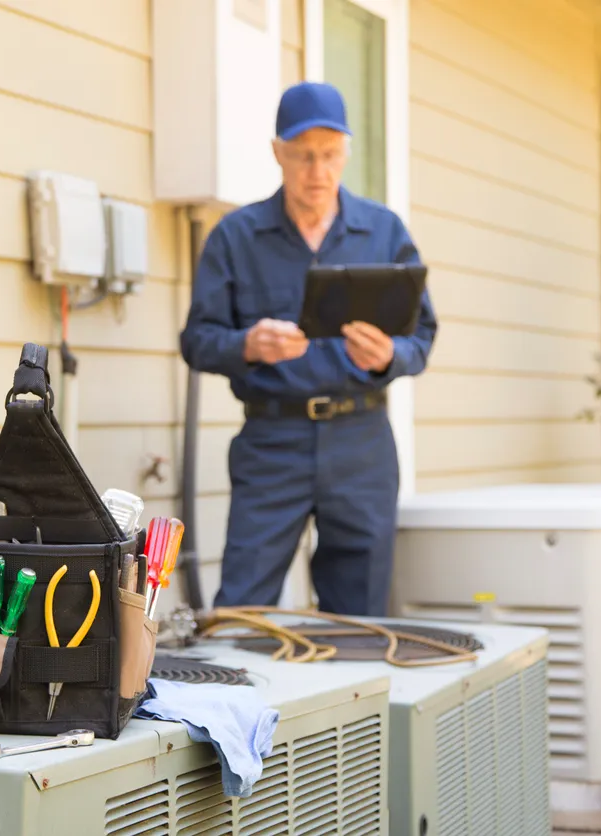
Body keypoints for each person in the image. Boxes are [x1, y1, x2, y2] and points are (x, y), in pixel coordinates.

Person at [179, 81, 437, 617]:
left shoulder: (383, 232)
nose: (317, 171)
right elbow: (197, 342)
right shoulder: (236, 236)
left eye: (328, 155)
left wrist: (389, 355)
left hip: (361, 443)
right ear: (278, 153)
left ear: (345, 152)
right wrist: (247, 344)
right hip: (272, 442)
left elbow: (422, 337)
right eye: (302, 156)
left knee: (360, 613)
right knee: (242, 610)